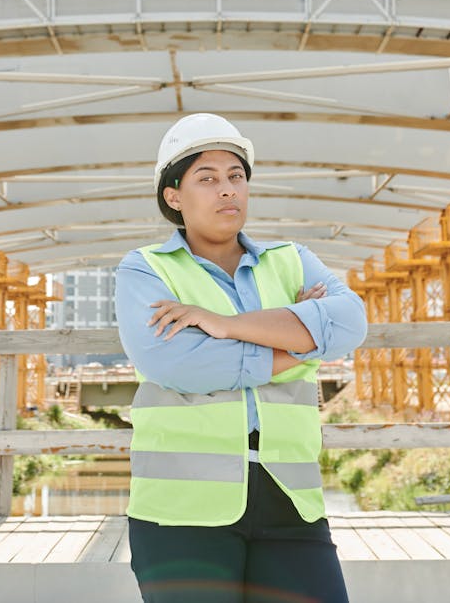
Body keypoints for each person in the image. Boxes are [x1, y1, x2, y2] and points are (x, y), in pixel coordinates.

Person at [115, 113, 368, 603]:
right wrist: (299, 345)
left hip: (292, 501)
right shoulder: (144, 269)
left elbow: (349, 324)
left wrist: (222, 324)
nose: (226, 190)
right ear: (173, 196)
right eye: (206, 179)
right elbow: (180, 364)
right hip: (182, 511)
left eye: (236, 177)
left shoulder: (292, 258)